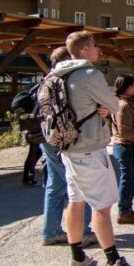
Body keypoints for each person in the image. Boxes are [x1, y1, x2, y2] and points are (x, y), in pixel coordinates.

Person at [55, 31, 134, 266]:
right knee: (101, 207)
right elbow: (114, 105)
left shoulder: (59, 73)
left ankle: (77, 257)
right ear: (83, 50)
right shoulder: (89, 74)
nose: (98, 50)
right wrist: (99, 108)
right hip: (90, 148)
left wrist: (95, 107)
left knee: (75, 201)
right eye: (94, 45)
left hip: (69, 148)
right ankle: (113, 262)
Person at [40, 46, 96, 247]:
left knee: (55, 185)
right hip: (66, 138)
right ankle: (83, 231)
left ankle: (51, 231)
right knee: (80, 184)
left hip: (46, 136)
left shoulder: (46, 80)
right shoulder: (67, 80)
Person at [109, 74, 134, 224]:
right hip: (126, 146)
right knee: (129, 178)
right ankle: (123, 211)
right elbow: (125, 132)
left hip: (131, 146)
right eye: (133, 85)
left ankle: (127, 208)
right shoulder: (123, 106)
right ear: (126, 87)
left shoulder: (128, 103)